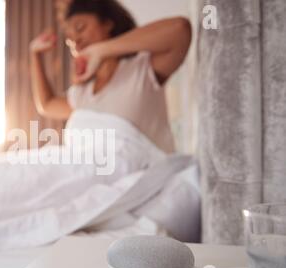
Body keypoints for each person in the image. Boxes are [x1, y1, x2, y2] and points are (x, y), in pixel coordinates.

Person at [29, 0, 192, 154]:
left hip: (150, 177)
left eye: (80, 28)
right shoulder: (82, 93)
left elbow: (180, 29)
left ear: (107, 23)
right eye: (70, 40)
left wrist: (101, 51)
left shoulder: (141, 69)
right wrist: (34, 55)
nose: (76, 41)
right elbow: (47, 104)